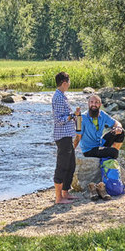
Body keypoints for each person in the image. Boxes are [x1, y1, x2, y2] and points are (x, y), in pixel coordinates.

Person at [51, 71, 80, 205]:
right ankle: (58, 198)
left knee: (70, 165)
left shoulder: (62, 96)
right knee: (62, 166)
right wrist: (72, 115)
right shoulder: (57, 97)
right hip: (62, 136)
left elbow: (66, 116)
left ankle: (65, 192)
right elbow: (58, 120)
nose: (69, 84)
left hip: (67, 136)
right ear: (64, 83)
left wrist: (74, 115)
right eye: (68, 82)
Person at [74, 94, 125, 159]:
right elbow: (78, 137)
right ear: (88, 104)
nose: (94, 105)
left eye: (96, 102)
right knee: (114, 152)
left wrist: (118, 127)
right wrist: (70, 152)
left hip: (100, 143)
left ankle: (108, 156)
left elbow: (116, 123)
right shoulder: (81, 118)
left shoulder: (102, 114)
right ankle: (109, 156)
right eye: (91, 102)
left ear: (100, 104)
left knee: (121, 131)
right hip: (89, 150)